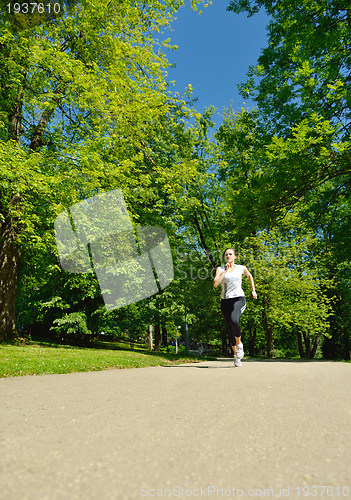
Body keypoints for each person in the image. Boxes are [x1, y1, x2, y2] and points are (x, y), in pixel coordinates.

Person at [213, 248, 257, 367]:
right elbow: (216, 284)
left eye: (230, 254)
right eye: (226, 254)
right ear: (224, 257)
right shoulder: (220, 269)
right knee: (230, 328)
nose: (228, 256)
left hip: (239, 298)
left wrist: (253, 291)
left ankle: (239, 345)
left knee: (234, 319)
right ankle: (236, 356)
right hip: (225, 301)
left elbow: (249, 275)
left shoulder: (241, 268)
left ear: (235, 256)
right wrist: (224, 272)